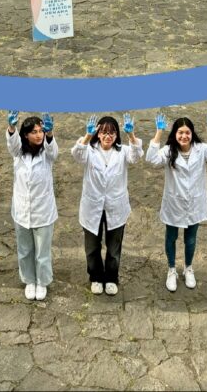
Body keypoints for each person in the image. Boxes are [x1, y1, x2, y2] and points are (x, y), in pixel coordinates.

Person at [145, 114, 207, 291]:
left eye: (187, 133)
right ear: (175, 134)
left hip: (195, 203)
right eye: (180, 132)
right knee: (171, 237)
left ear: (192, 134)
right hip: (174, 204)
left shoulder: (201, 149)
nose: (184, 136)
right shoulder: (169, 151)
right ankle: (171, 269)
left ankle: (188, 268)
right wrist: (159, 132)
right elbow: (151, 160)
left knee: (190, 239)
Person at [71, 114, 142, 295]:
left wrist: (132, 135)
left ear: (117, 135)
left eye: (111, 133)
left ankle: (111, 277)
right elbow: (77, 154)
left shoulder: (123, 151)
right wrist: (87, 136)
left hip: (115, 206)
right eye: (103, 132)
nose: (107, 136)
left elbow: (136, 156)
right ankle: (95, 276)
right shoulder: (89, 149)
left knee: (114, 246)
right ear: (98, 134)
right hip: (92, 206)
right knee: (92, 246)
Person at [6, 112, 59, 301]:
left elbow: (54, 151)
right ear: (26, 135)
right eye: (34, 132)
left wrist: (50, 133)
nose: (38, 135)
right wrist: (11, 128)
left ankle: (42, 281)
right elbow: (12, 145)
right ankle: (29, 280)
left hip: (43, 211)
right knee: (25, 249)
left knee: (42, 251)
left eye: (41, 131)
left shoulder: (47, 154)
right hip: (22, 210)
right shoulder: (18, 154)